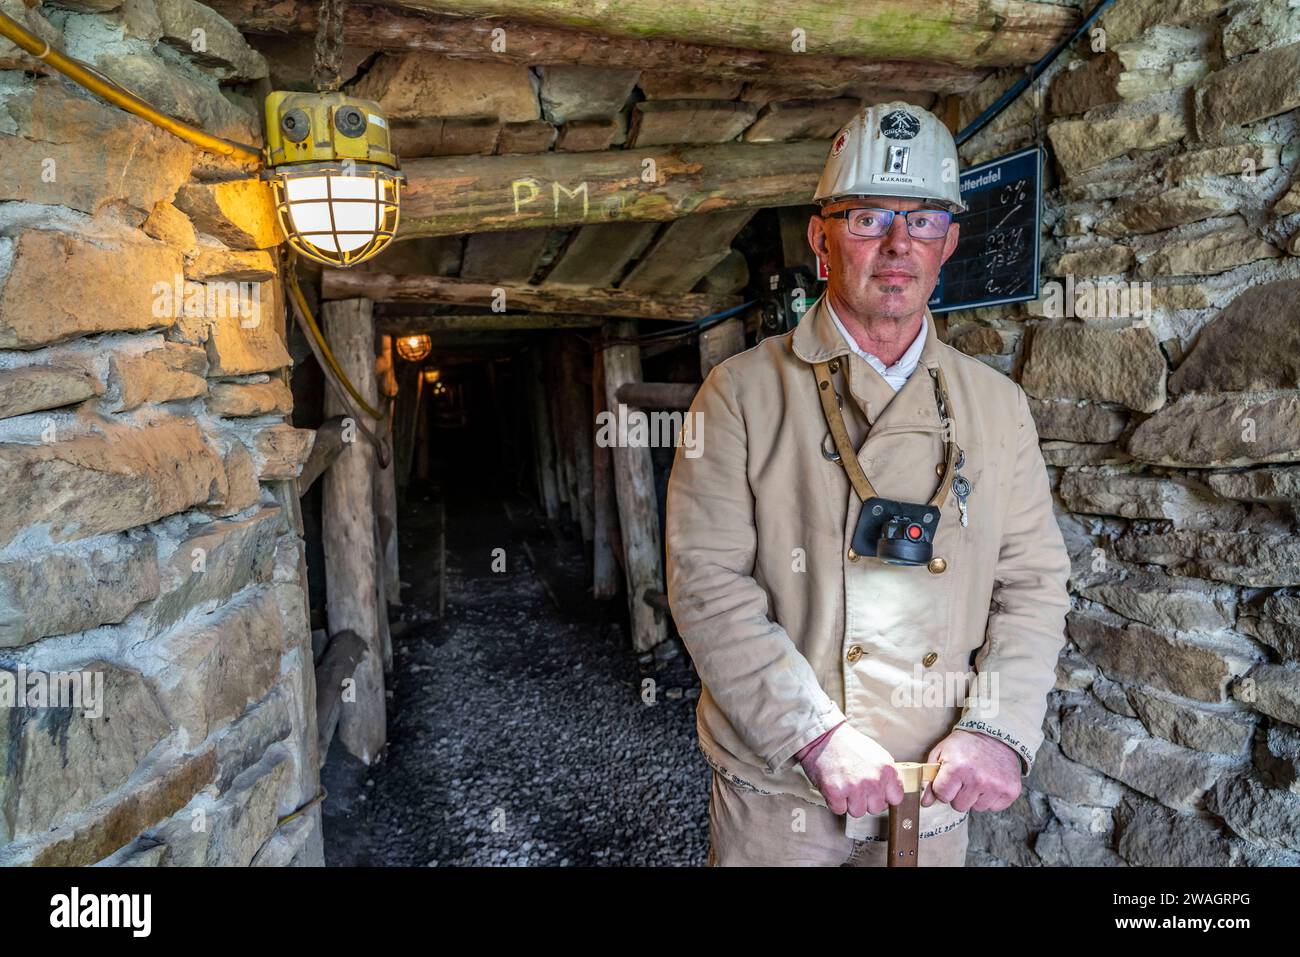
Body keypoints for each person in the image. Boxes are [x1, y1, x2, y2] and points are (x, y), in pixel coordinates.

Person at [664, 101, 1072, 867]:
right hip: (780, 792)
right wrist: (813, 733)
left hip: (934, 785)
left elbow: (1034, 583)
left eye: (921, 221)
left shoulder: (997, 405)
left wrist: (998, 726)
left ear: (949, 242)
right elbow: (706, 583)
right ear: (821, 240)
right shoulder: (738, 392)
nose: (896, 245)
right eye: (867, 218)